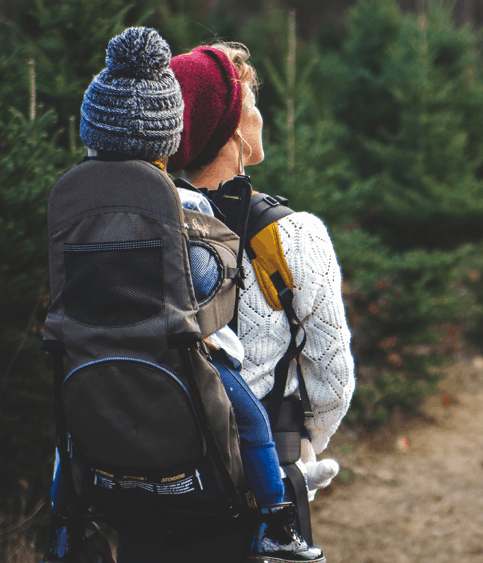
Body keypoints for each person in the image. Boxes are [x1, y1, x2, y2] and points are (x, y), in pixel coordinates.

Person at [42, 27, 327, 563]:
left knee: (70, 431)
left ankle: (62, 526)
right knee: (249, 416)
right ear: (165, 135)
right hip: (176, 348)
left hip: (85, 348)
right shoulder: (177, 203)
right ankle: (277, 522)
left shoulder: (75, 199)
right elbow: (200, 280)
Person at [167, 39, 355, 551]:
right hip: (261, 474)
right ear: (230, 131)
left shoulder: (150, 224)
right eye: (252, 105)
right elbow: (333, 380)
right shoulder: (293, 236)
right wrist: (302, 449)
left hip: (163, 471)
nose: (260, 117)